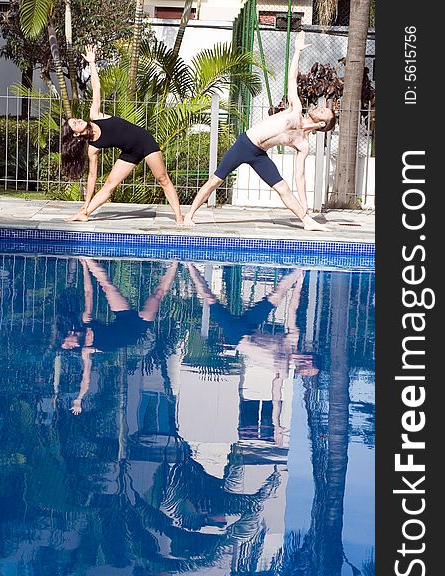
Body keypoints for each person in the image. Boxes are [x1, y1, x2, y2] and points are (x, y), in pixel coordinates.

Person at [184, 30, 336, 231]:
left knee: (283, 188)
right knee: (215, 180)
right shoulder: (296, 110)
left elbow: (300, 176)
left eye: (323, 112)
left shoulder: (303, 143)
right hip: (245, 143)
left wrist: (305, 204)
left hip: (259, 155)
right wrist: (297, 51)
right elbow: (292, 80)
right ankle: (189, 215)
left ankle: (307, 221)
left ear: (322, 125)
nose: (319, 108)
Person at [186, 264, 319, 446]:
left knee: (209, 298)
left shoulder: (283, 369)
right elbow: (292, 310)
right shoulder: (292, 339)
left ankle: (188, 265)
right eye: (310, 363)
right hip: (250, 327)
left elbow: (276, 398)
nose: (306, 363)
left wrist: (276, 425)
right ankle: (298, 270)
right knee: (277, 295)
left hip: (237, 335)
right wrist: (300, 283)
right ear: (308, 358)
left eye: (308, 368)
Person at [61, 45, 184, 226]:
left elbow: (97, 87)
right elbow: (92, 177)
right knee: (109, 185)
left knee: (162, 178)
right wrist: (85, 205)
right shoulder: (93, 149)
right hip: (129, 153)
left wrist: (92, 63)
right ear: (76, 135)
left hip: (145, 141)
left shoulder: (95, 115)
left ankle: (179, 218)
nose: (78, 120)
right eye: (75, 124)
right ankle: (85, 213)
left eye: (76, 119)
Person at [61, 258, 179, 415]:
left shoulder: (86, 322)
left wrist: (84, 267)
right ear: (74, 347)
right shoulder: (87, 351)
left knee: (107, 286)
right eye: (67, 345)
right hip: (136, 329)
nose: (68, 341)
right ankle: (175, 263)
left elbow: (88, 293)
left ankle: (88, 259)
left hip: (123, 318)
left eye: (65, 341)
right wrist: (79, 399)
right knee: (158, 294)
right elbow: (86, 379)